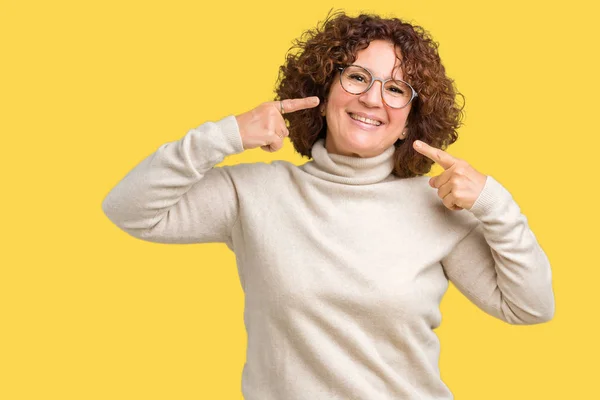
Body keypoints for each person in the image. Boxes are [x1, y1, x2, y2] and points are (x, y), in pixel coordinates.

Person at [101, 10, 555, 400]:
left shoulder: (436, 206)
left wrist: (495, 204)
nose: (373, 98)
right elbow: (129, 208)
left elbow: (530, 307)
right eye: (357, 77)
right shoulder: (254, 194)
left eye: (397, 90)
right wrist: (226, 135)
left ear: (407, 123)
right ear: (324, 94)